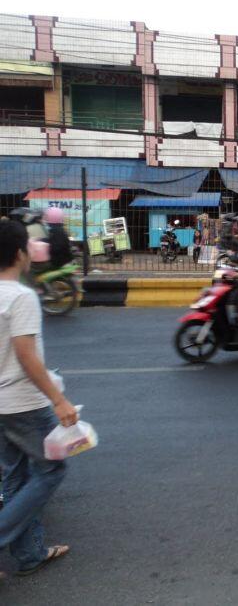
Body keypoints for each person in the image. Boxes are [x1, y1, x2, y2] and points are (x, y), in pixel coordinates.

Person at [0, 219, 78, 578]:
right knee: (52, 469)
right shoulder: (20, 296)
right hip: (24, 403)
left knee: (15, 476)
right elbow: (26, 355)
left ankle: (30, 553)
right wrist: (58, 400)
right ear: (20, 253)